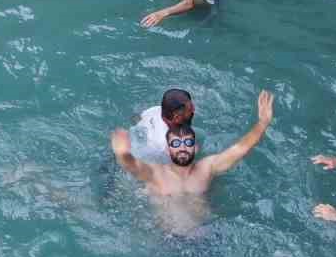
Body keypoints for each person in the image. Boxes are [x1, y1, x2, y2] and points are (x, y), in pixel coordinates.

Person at [111, 89, 274, 230]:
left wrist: (263, 122)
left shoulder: (207, 168)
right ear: (168, 149)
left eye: (187, 142)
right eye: (176, 143)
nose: (182, 147)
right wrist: (122, 154)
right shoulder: (157, 174)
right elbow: (133, 166)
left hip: (204, 237)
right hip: (168, 241)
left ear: (195, 148)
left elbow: (240, 149)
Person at [133, 87, 195, 157]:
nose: (194, 109)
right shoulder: (166, 144)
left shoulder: (155, 109)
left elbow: (136, 119)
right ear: (177, 118)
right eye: (190, 109)